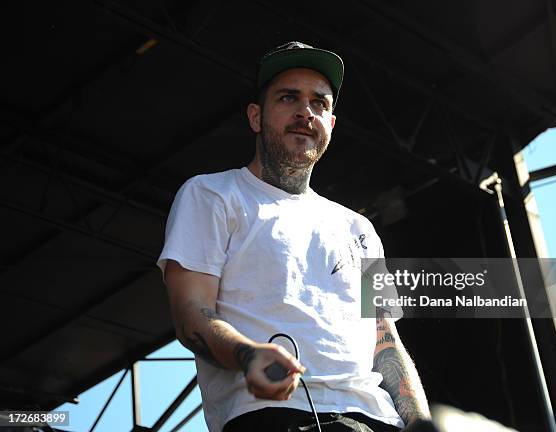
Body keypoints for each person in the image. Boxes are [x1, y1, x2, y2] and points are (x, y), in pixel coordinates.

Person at [157, 41, 431, 432]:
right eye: (288, 98)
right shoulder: (211, 195)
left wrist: (421, 424)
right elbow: (191, 314)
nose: (306, 112)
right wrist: (249, 355)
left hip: (379, 420)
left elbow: (384, 341)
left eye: (320, 103)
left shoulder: (359, 228)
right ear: (256, 117)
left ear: (330, 126)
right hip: (274, 417)